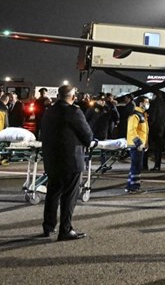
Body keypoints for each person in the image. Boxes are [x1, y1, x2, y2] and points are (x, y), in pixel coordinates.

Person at [40, 85, 94, 241]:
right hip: (71, 159)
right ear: (72, 97)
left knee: (52, 193)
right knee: (69, 195)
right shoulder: (74, 111)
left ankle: (48, 226)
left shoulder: (49, 111)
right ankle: (66, 229)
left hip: (52, 159)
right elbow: (87, 136)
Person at [125, 96, 150, 194]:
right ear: (140, 103)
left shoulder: (142, 114)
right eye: (146, 102)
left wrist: (146, 143)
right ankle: (134, 187)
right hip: (135, 145)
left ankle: (130, 186)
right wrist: (138, 143)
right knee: (136, 166)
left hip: (139, 144)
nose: (147, 104)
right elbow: (131, 130)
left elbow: (144, 131)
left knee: (135, 166)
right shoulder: (135, 115)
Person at [147, 92, 165, 171]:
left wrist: (149, 125)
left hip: (153, 128)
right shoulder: (164, 104)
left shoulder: (153, 104)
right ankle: (157, 165)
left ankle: (144, 165)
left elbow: (152, 117)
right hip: (161, 128)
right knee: (158, 148)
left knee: (146, 146)